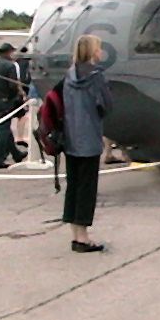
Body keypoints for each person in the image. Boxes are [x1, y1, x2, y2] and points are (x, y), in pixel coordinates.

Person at [63, 34, 112, 252]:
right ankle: (83, 238)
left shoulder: (69, 74)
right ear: (93, 51)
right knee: (87, 187)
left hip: (70, 136)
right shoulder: (96, 76)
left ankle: (76, 233)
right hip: (89, 135)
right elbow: (106, 105)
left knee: (73, 185)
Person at [0, 43, 29, 169]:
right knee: (3, 130)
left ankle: (16, 154)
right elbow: (13, 84)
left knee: (5, 127)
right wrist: (18, 97)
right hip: (6, 100)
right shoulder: (10, 66)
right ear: (7, 52)